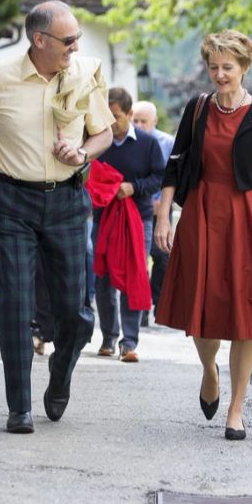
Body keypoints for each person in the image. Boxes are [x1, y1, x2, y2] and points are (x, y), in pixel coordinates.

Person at [0, 0, 114, 433]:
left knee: (76, 314)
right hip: (13, 203)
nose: (76, 46)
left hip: (66, 202)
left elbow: (105, 133)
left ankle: (60, 373)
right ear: (39, 40)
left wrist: (82, 152)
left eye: (77, 37)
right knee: (16, 303)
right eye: (69, 39)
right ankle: (19, 406)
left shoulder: (82, 75)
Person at [154, 29, 252, 441]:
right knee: (202, 315)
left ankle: (236, 411)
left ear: (244, 68)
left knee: (243, 318)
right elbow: (176, 163)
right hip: (201, 213)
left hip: (244, 215)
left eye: (228, 67)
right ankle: (209, 370)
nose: (220, 75)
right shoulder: (197, 108)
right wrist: (163, 216)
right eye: (214, 67)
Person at [90, 88, 163, 362]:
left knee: (134, 274)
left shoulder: (147, 143)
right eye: (107, 116)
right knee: (104, 278)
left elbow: (159, 176)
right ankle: (109, 336)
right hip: (104, 217)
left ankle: (129, 341)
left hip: (138, 218)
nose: (111, 122)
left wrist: (134, 187)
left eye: (117, 117)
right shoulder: (99, 142)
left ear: (130, 115)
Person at [131, 101, 175, 326]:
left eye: (143, 121)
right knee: (139, 258)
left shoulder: (167, 143)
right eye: (135, 120)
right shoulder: (130, 143)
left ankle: (158, 302)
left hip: (161, 211)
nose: (138, 125)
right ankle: (143, 307)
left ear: (154, 121)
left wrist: (163, 204)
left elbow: (172, 176)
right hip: (136, 208)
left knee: (162, 257)